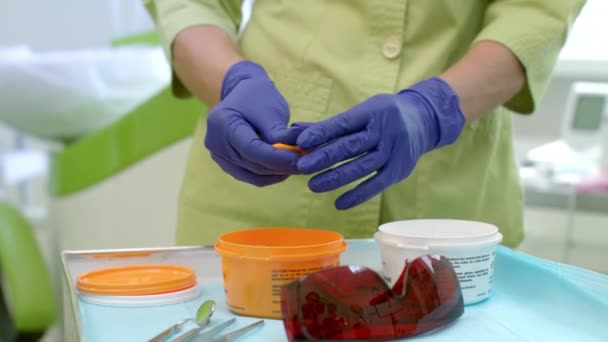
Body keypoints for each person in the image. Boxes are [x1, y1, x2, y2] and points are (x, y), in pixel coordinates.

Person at [143, 0, 586, 247]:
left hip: (450, 214)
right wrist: (229, 80)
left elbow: (537, 12)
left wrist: (436, 109)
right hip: (259, 210)